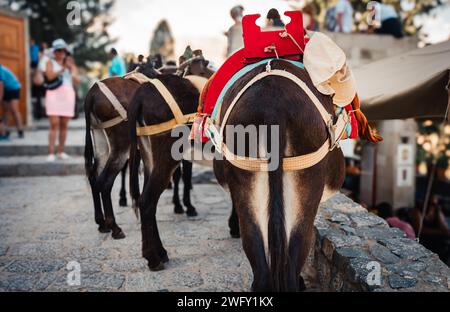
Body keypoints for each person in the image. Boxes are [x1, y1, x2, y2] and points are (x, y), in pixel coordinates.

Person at [44, 39, 80, 162]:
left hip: (67, 95)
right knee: (54, 124)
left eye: (63, 50)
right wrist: (62, 68)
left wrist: (71, 70)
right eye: (58, 50)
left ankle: (60, 151)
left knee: (64, 125)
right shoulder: (50, 62)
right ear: (54, 52)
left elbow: (77, 81)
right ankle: (51, 153)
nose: (61, 52)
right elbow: (49, 76)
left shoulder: (71, 64)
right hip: (53, 94)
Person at [411, 196, 450, 263]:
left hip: (436, 236)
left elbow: (444, 227)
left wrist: (438, 213)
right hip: (424, 237)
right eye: (429, 203)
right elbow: (420, 230)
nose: (430, 206)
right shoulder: (418, 211)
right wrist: (440, 232)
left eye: (433, 204)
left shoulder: (436, 211)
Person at [0, 64, 24, 138]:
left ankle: (20, 130)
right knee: (6, 111)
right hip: (6, 89)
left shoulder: (0, 70)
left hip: (13, 88)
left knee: (14, 109)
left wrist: (0, 99)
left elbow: (1, 85)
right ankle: (4, 131)